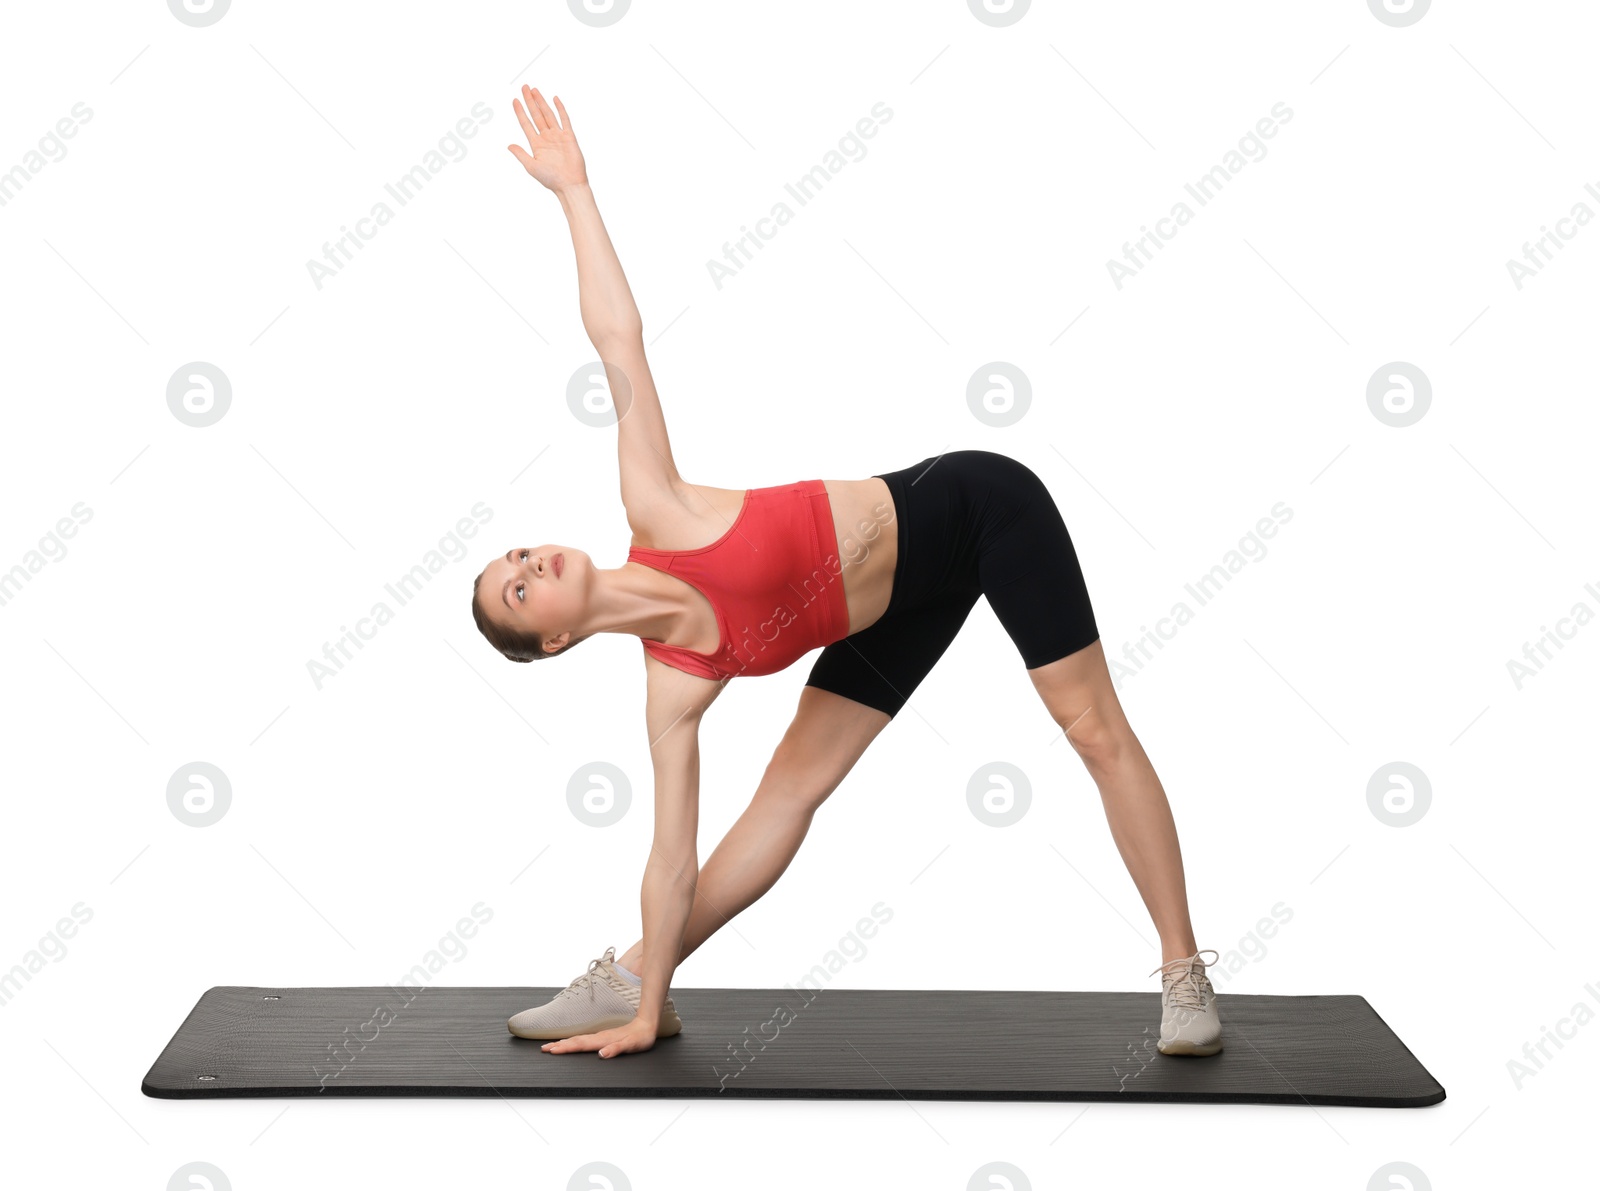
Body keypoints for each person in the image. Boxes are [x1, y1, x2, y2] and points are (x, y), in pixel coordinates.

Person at [472, 85, 1222, 1061]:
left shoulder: (653, 505)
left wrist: (573, 192)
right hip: (884, 613)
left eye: (519, 554)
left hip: (979, 511)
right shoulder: (672, 690)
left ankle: (1183, 971)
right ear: (556, 638)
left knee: (1089, 728)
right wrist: (653, 1009)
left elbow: (617, 340)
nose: (530, 561)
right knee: (788, 793)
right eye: (519, 588)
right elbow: (669, 855)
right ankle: (631, 977)